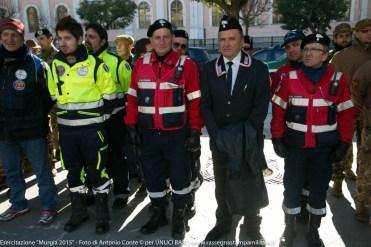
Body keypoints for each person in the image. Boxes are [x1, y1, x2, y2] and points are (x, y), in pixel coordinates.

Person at [271, 33, 354, 247]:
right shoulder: (290, 78)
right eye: (306, 49)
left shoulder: (338, 80)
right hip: (295, 147)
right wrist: (277, 137)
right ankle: (288, 229)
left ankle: (313, 231)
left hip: (323, 150)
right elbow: (278, 110)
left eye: (314, 50)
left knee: (317, 190)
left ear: (325, 55)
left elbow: (346, 114)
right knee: (291, 187)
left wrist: (344, 142)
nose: (307, 53)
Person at [125, 18, 203, 240]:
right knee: (152, 176)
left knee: (180, 178)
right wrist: (130, 124)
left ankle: (179, 215)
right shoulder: (140, 63)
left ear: (171, 39)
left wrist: (195, 131)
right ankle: (158, 211)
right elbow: (132, 96)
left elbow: (195, 101)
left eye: (166, 37)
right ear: (150, 40)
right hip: (148, 133)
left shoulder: (186, 65)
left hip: (176, 134)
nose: (162, 41)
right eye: (157, 37)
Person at [201, 15, 270, 242]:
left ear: (242, 42)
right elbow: (206, 105)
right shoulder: (209, 69)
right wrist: (218, 135)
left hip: (248, 140)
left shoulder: (258, 69)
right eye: (222, 39)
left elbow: (261, 107)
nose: (226, 44)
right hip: (220, 140)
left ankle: (252, 225)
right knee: (221, 184)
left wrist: (242, 135)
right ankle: (223, 222)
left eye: (231, 39)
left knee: (250, 182)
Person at [48, 16, 116, 234]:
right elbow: (52, 95)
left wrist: (95, 120)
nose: (62, 42)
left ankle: (102, 214)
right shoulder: (54, 65)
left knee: (97, 172)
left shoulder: (96, 64)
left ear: (79, 39)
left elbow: (110, 99)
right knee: (73, 172)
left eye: (67, 38)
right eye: (59, 38)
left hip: (92, 131)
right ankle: (79, 212)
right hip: (67, 132)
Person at [0, 18, 58, 225]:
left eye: (14, 35)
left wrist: (35, 116)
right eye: (5, 35)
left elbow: (49, 96)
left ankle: (49, 206)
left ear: (21, 37)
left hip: (32, 130)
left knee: (42, 171)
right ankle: (18, 204)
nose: (10, 39)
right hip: (4, 131)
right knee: (12, 171)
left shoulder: (36, 64)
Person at [85, 23, 132, 209]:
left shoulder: (118, 63)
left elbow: (131, 94)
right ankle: (93, 190)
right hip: (89, 121)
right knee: (91, 158)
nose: (86, 40)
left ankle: (121, 192)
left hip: (113, 121)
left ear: (103, 41)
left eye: (92, 37)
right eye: (85, 36)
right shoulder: (81, 63)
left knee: (115, 156)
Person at [330, 18, 371, 198]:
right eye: (364, 30)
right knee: (343, 145)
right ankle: (337, 180)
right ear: (358, 32)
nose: (369, 33)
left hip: (367, 113)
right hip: (347, 109)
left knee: (365, 152)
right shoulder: (341, 56)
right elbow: (331, 84)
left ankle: (362, 191)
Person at [35, 28, 59, 177]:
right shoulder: (36, 57)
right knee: (48, 133)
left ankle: (59, 158)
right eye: (38, 39)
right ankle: (52, 161)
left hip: (56, 101)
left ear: (51, 38)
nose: (40, 41)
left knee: (57, 132)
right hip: (42, 101)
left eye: (42, 38)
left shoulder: (57, 56)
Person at [351, 59, 371, 226]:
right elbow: (356, 93)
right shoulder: (367, 68)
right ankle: (362, 207)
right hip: (370, 128)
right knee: (366, 171)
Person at [271, 30, 305, 95]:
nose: (291, 50)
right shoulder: (280, 72)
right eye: (287, 47)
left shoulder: (315, 70)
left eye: (295, 44)